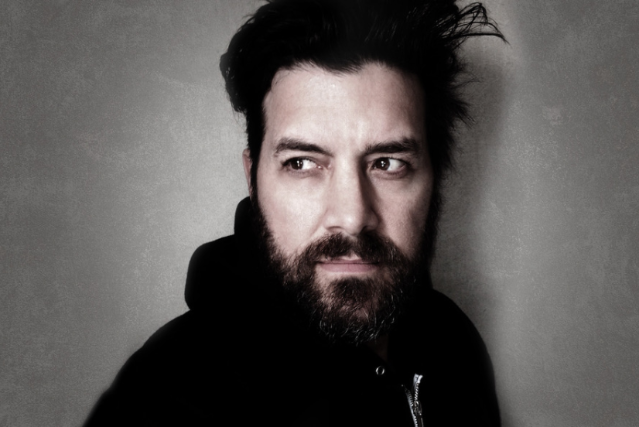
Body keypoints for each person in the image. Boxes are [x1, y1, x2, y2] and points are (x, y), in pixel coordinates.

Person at [84, 0, 504, 425]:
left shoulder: (453, 340)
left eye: (387, 163)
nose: (352, 216)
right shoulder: (162, 401)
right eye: (302, 163)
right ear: (253, 179)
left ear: (435, 178)